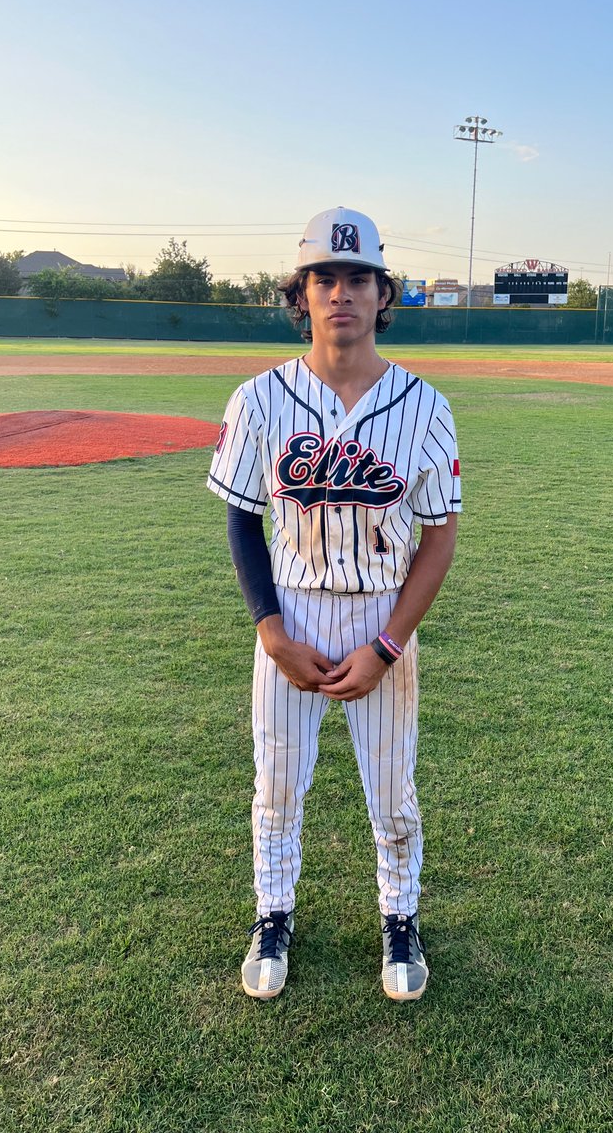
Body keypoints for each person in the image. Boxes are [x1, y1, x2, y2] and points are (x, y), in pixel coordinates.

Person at [207, 206, 461, 1001]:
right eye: (325, 277)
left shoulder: (426, 406)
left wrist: (388, 646)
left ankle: (400, 919)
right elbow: (243, 516)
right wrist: (270, 629)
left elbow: (439, 540)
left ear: (384, 295)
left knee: (393, 791)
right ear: (302, 293)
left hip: (383, 617)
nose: (341, 292)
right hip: (290, 616)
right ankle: (273, 914)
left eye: (359, 278)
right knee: (276, 785)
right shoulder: (257, 399)